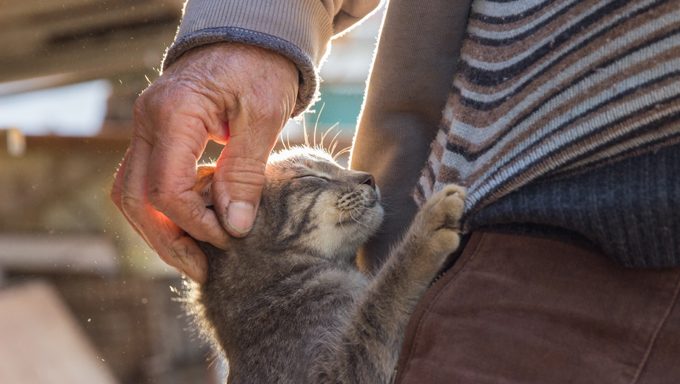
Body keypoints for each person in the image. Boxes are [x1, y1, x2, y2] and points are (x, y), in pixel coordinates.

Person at [112, 0, 680, 382]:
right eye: (320, 178)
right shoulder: (276, 310)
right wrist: (253, 26)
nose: (360, 179)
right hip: (518, 235)